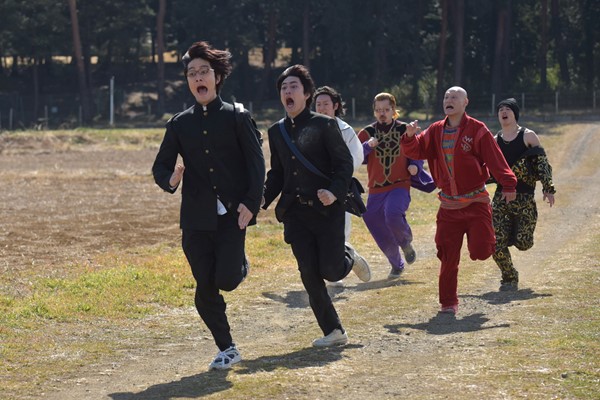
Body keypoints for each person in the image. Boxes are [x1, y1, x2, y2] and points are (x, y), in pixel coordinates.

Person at [152, 41, 265, 370]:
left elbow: (256, 164)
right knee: (205, 286)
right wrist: (171, 178)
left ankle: (239, 264)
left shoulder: (237, 117)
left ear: (217, 77)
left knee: (226, 280)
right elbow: (160, 166)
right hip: (195, 219)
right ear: (188, 81)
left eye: (204, 72)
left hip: (233, 215)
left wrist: (250, 203)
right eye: (192, 73)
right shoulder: (179, 124)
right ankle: (227, 347)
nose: (198, 78)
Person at [262, 65, 371, 347]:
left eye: (294, 87)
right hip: (295, 213)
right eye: (284, 88)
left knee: (332, 271)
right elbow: (278, 173)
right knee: (309, 274)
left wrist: (334, 192)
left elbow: (344, 164)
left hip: (326, 210)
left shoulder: (325, 125)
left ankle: (349, 256)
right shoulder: (276, 131)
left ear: (307, 93)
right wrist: (261, 198)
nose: (288, 92)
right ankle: (334, 331)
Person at [401, 86, 517, 314]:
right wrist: (409, 137)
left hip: (476, 203)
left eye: (454, 97)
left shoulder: (477, 129)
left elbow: (495, 158)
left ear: (465, 103)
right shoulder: (435, 130)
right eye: (446, 96)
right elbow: (416, 151)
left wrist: (508, 183)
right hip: (449, 207)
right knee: (447, 257)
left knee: (481, 251)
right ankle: (448, 303)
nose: (449, 99)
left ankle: (488, 240)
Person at [357, 92, 434, 280]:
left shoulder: (404, 130)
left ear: (393, 110)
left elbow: (416, 150)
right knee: (371, 219)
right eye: (378, 110)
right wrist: (367, 146)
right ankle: (396, 264)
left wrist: (415, 166)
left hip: (399, 184)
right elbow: (355, 157)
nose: (382, 113)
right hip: (376, 188)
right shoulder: (366, 133)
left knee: (392, 214)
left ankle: (405, 242)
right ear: (374, 112)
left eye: (386, 109)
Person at [491, 98, 556, 291]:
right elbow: (483, 167)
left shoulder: (528, 136)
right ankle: (509, 276)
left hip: (525, 198)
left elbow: (542, 164)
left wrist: (548, 188)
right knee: (494, 242)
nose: (503, 112)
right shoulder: (494, 141)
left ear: (515, 114)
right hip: (501, 198)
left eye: (507, 109)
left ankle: (514, 233)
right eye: (500, 110)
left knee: (524, 243)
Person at [314, 86, 364, 287]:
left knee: (340, 230)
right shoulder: (307, 128)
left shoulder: (345, 131)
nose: (322, 108)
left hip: (339, 188)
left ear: (335, 106)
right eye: (318, 104)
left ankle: (340, 266)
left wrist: (338, 179)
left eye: (326, 104)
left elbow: (356, 157)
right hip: (314, 189)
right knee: (315, 231)